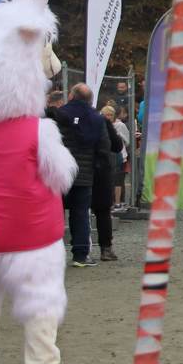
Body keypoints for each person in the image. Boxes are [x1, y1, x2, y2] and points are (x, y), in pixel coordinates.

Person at [56, 84, 109, 268]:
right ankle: (80, 255)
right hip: (84, 174)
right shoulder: (97, 118)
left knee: (55, 213)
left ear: (72, 96)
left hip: (59, 173)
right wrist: (97, 168)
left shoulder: (60, 114)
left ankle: (53, 254)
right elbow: (104, 148)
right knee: (80, 214)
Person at [90, 106, 124, 262]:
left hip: (74, 170)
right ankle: (106, 248)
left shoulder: (65, 117)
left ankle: (80, 251)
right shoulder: (102, 121)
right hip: (100, 170)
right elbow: (117, 145)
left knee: (77, 211)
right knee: (103, 211)